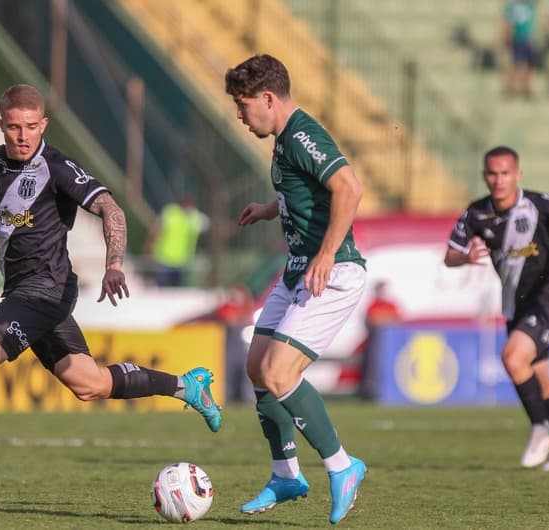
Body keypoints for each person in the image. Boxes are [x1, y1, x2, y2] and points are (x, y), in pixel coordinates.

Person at [0, 84, 222, 503]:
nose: (22, 136)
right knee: (89, 384)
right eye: (13, 127)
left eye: (31, 127)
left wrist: (115, 263)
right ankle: (185, 386)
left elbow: (111, 208)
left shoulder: (58, 167)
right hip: (23, 291)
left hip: (46, 291)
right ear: (1, 125)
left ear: (43, 124)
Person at [225, 54, 368, 524]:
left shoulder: (303, 132)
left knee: (280, 373)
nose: (240, 116)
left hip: (333, 271)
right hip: (298, 270)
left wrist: (326, 254)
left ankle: (343, 467)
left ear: (268, 98)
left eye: (243, 106)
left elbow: (348, 187)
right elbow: (309, 190)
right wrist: (270, 209)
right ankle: (286, 474)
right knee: (257, 368)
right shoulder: (285, 140)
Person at [444, 145, 549, 472]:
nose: (498, 180)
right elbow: (450, 255)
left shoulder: (538, 204)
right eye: (492, 173)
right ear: (484, 175)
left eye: (505, 173)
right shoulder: (476, 213)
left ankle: (540, 428)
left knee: (513, 357)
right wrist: (464, 258)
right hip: (515, 305)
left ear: (517, 174)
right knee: (538, 373)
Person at [145, 194, 209, 287]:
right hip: (164, 259)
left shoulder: (195, 216)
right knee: (162, 290)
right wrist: (149, 249)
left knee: (178, 291)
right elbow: (156, 231)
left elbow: (212, 226)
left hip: (183, 261)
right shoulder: (170, 212)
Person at [359, 280, 401, 400]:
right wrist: (386, 319)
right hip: (375, 344)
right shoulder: (373, 305)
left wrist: (383, 319)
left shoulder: (391, 305)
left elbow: (398, 319)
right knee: (372, 367)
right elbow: (374, 320)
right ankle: (370, 392)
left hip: (390, 345)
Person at [502, 0, 539, 98]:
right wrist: (506, 38)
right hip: (516, 39)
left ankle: (527, 89)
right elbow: (507, 23)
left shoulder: (530, 5)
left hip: (529, 39)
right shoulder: (512, 6)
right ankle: (510, 88)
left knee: (530, 66)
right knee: (515, 65)